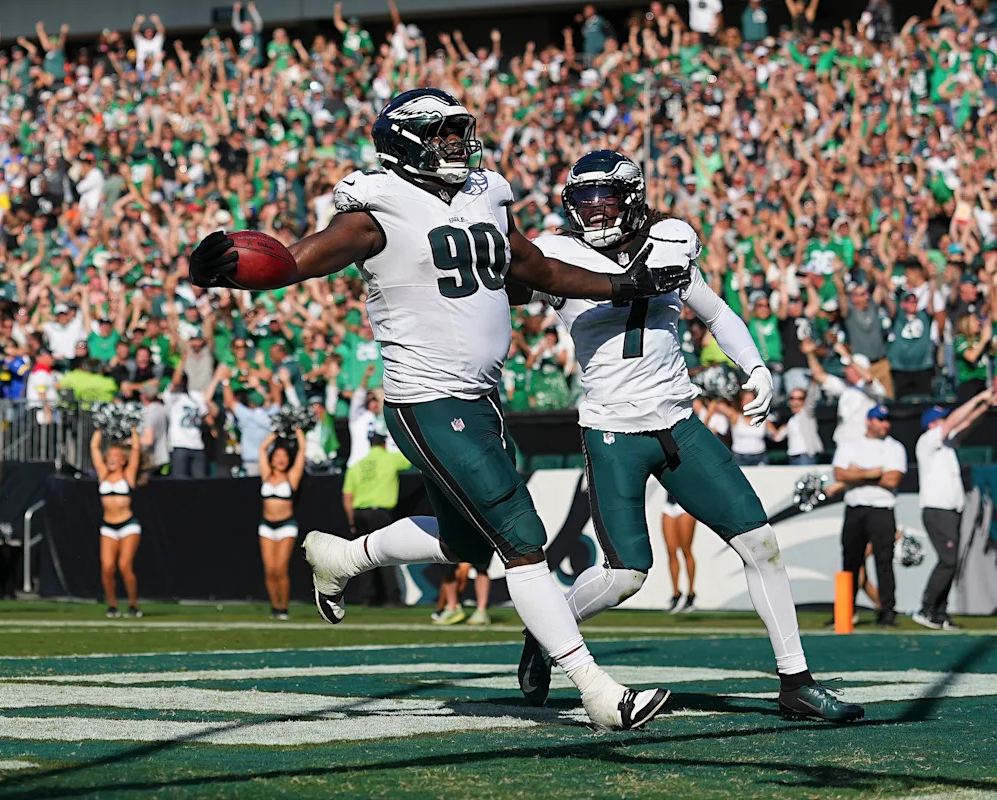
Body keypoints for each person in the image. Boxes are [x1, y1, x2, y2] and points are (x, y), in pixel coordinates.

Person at [188, 88, 688, 730]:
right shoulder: (376, 207)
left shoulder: (486, 192)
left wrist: (623, 284)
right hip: (426, 399)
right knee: (522, 539)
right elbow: (296, 261)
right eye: (438, 131)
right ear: (402, 141)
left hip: (480, 399)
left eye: (457, 128)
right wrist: (234, 269)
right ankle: (597, 690)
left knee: (463, 542)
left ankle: (343, 558)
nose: (454, 141)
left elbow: (537, 270)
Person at [518, 150, 862, 723]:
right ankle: (546, 628)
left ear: (632, 199)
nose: (594, 211)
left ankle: (796, 682)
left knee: (760, 543)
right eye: (583, 201)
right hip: (612, 430)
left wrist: (756, 366)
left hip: (679, 423)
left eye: (605, 199)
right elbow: (504, 289)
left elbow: (717, 313)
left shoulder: (670, 242)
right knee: (626, 574)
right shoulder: (558, 254)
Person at [913, 390, 995, 630]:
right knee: (948, 560)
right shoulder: (928, 441)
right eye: (941, 419)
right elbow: (953, 422)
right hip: (937, 509)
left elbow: (966, 425)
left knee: (952, 561)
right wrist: (979, 397)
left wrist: (986, 406)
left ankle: (939, 613)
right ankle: (926, 608)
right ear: (931, 424)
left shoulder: (947, 444)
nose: (946, 422)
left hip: (950, 510)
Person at [832, 405, 907, 627]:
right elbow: (839, 474)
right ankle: (846, 612)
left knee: (884, 561)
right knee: (850, 561)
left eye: (887, 420)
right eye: (880, 420)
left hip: (882, 509)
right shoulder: (850, 445)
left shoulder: (894, 447)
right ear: (869, 421)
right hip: (856, 508)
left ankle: (887, 612)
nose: (885, 425)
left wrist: (857, 473)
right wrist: (874, 472)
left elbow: (893, 479)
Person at [342, 431, 412, 610]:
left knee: (364, 557)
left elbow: (347, 495)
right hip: (380, 514)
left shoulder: (357, 466)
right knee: (386, 555)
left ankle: (367, 598)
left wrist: (351, 520)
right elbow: (411, 459)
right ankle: (393, 598)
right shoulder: (390, 459)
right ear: (384, 445)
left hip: (359, 513)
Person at [91, 429, 143, 618]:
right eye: (110, 455)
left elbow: (136, 450)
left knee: (125, 565)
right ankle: (112, 605)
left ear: (123, 460)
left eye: (116, 456)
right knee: (107, 567)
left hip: (128, 525)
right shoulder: (103, 474)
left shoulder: (128, 475)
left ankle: (133, 604)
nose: (112, 458)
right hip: (108, 527)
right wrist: (99, 428)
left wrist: (134, 429)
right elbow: (94, 448)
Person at [258, 430, 306, 620]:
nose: (281, 459)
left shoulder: (291, 477)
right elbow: (262, 449)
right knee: (270, 570)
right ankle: (275, 606)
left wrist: (298, 433)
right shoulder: (266, 475)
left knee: (281, 569)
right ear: (271, 460)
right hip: (266, 526)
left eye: (284, 456)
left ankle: (284, 607)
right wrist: (275, 432)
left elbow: (302, 452)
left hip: (286, 526)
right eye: (277, 456)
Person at [803, 340, 886, 445]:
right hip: (843, 439)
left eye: (848, 367)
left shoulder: (872, 388)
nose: (845, 369)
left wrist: (846, 355)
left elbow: (869, 378)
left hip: (864, 440)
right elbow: (819, 376)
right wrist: (810, 354)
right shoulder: (845, 386)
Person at [164, 367, 213, 479]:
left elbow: (206, 413)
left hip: (197, 444)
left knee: (201, 482)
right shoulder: (172, 397)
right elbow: (175, 383)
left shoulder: (195, 396)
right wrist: (182, 361)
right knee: (180, 482)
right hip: (179, 445)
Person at [660, 494, 696, 614]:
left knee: (686, 550)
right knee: (671, 550)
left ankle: (691, 593)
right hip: (669, 504)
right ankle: (676, 594)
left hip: (686, 504)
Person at [772, 387, 822, 465]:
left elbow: (812, 399)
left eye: (799, 398)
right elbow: (777, 438)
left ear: (805, 401)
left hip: (805, 457)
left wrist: (813, 383)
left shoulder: (807, 414)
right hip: (793, 458)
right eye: (792, 398)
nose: (795, 401)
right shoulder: (791, 420)